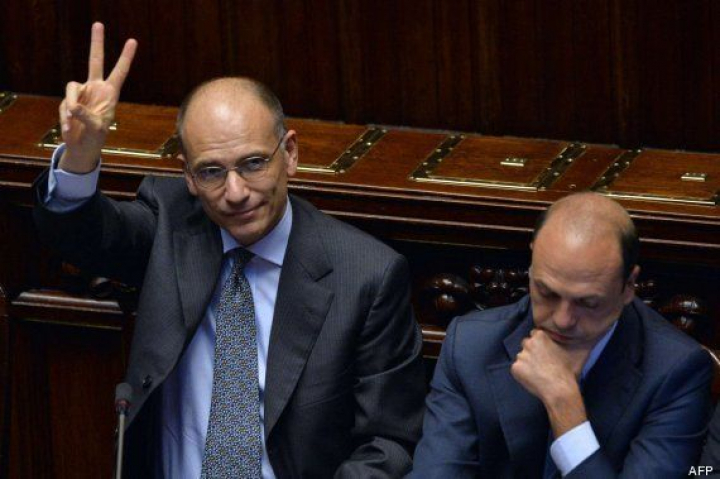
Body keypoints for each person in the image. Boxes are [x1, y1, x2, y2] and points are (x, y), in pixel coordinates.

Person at [33, 23, 425, 478]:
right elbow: (82, 235)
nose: (235, 192)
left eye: (253, 163)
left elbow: (388, 444)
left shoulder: (366, 276)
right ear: (188, 176)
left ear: (290, 153)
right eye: (211, 172)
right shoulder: (171, 225)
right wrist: (81, 156)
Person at [410, 192, 713, 478]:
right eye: (547, 293)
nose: (562, 320)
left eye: (588, 303)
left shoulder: (675, 371)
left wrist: (564, 407)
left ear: (629, 286)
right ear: (532, 263)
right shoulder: (471, 345)